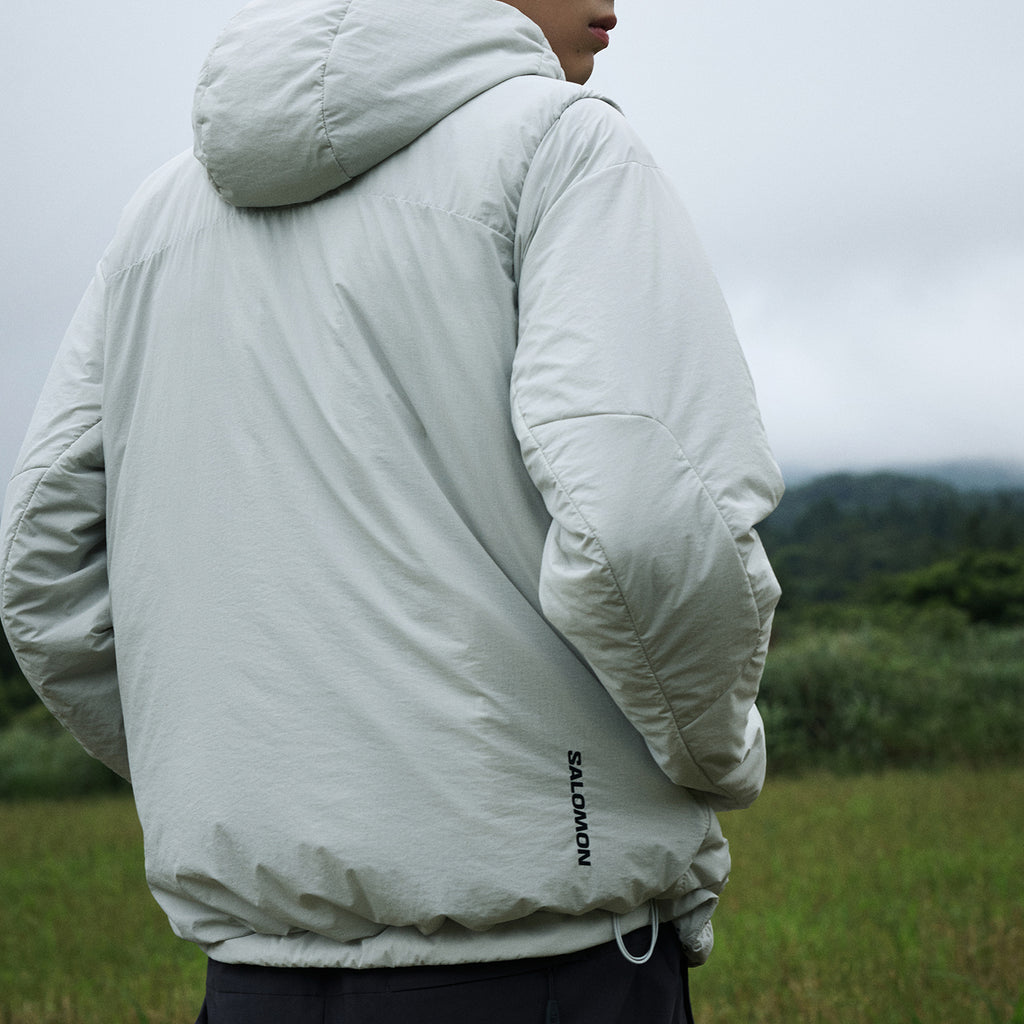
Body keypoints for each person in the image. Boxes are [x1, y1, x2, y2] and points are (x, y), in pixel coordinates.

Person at [0, 0, 783, 1020]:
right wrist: (717, 754)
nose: (613, 3)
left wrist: (236, 776)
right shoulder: (561, 145)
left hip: (253, 986)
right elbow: (640, 524)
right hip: (541, 971)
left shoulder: (157, 217)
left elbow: (42, 570)